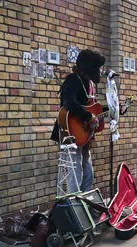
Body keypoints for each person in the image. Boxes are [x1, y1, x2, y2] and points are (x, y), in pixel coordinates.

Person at [50, 49, 106, 193]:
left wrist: (111, 110)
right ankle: (73, 203)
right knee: (74, 169)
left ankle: (85, 199)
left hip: (84, 134)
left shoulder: (89, 83)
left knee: (87, 168)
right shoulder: (73, 79)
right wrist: (88, 117)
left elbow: (91, 107)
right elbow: (69, 102)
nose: (99, 71)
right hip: (69, 131)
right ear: (89, 67)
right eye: (97, 68)